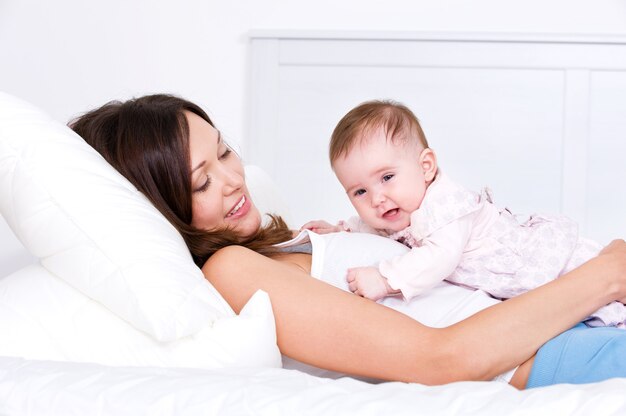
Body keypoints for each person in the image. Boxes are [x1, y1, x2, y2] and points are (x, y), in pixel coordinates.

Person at [70, 93, 626, 390]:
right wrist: (603, 275)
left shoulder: (279, 246)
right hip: (549, 352)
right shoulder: (231, 270)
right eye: (201, 180)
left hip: (564, 321)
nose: (233, 178)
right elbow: (439, 358)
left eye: (224, 151)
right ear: (161, 206)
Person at [302, 99, 625, 328]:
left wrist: (385, 279)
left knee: (607, 288)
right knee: (590, 311)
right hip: (526, 285)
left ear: (425, 167)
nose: (377, 198)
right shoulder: (398, 210)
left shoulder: (445, 204)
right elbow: (374, 228)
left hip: (545, 261)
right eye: (360, 192)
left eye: (387, 178)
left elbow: (439, 257)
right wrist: (341, 231)